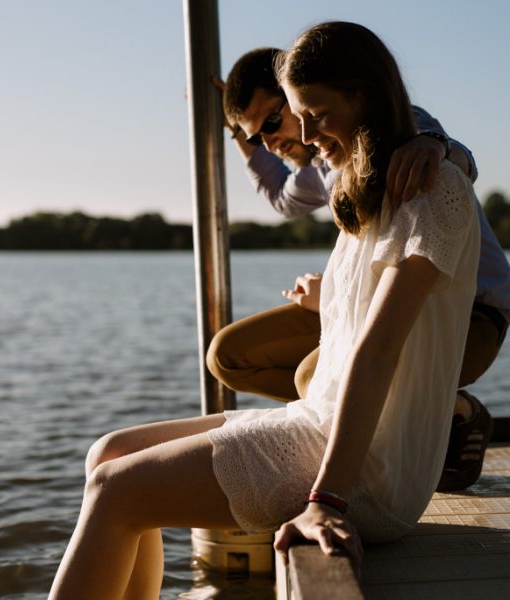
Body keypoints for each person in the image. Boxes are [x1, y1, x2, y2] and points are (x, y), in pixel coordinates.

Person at [49, 21, 485, 598]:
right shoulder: (364, 189)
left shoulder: (433, 191)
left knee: (116, 490)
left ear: (365, 95)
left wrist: (326, 502)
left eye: (317, 113)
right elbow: (348, 309)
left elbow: (378, 351)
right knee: (109, 452)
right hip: (319, 419)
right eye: (297, 114)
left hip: (371, 474)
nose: (304, 133)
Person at [207, 47, 510, 492]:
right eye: (258, 138)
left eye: (272, 123)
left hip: (468, 316)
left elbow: (446, 159)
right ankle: (435, 412)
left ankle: (439, 417)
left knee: (311, 376)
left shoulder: (394, 127)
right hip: (373, 307)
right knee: (229, 356)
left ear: (298, 98)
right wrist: (239, 132)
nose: (269, 142)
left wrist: (437, 145)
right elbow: (277, 193)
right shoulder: (322, 168)